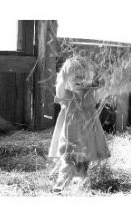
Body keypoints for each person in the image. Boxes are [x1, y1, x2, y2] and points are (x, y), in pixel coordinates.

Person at [48, 55, 111, 194]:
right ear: (66, 79)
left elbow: (103, 92)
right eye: (75, 76)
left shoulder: (90, 93)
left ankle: (80, 185)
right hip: (70, 137)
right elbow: (59, 90)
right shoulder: (67, 94)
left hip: (87, 137)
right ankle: (60, 186)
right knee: (67, 161)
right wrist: (63, 79)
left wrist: (102, 82)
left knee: (83, 165)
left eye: (83, 76)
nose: (80, 80)